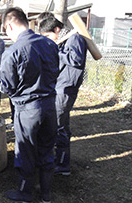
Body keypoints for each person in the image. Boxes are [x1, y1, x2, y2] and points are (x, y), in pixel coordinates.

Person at [0, 7, 59, 203]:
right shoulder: (50, 44)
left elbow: (6, 86)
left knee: (25, 150)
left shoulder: (14, 51)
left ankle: (25, 193)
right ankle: (46, 194)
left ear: (9, 26)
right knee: (46, 149)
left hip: (28, 109)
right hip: (50, 105)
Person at [38, 12, 87, 176]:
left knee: (60, 126)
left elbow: (76, 60)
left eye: (48, 35)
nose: (47, 39)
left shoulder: (75, 38)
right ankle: (60, 160)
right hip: (60, 87)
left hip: (66, 89)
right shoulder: (65, 40)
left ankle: (62, 164)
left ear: (57, 29)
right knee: (60, 124)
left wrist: (56, 51)